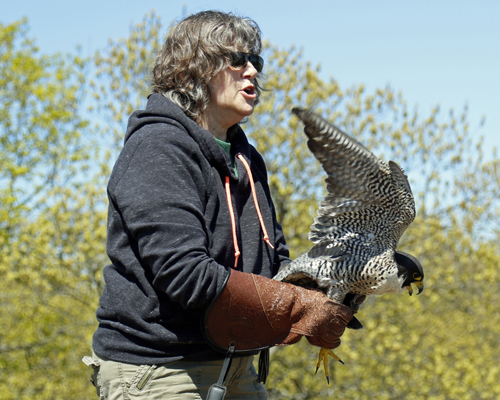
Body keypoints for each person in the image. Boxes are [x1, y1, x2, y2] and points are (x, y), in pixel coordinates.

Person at [83, 10, 354, 400]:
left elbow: (274, 262)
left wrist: (331, 288)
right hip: (159, 371)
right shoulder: (158, 147)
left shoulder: (246, 158)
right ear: (193, 68)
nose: (253, 72)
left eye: (256, 61)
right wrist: (295, 307)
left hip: (239, 368)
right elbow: (184, 275)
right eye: (238, 60)